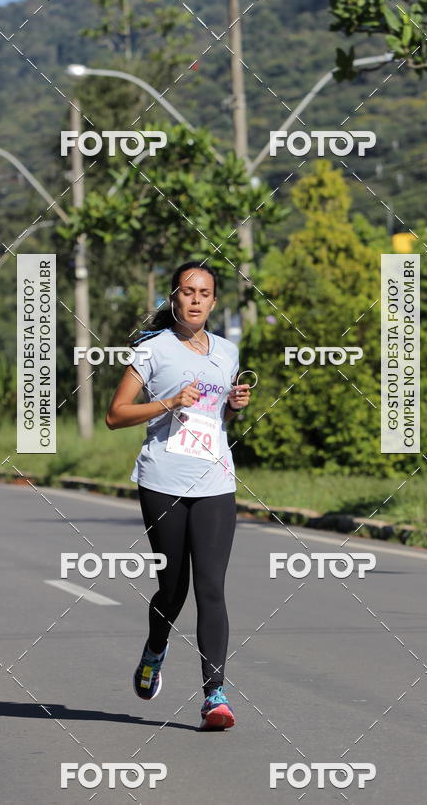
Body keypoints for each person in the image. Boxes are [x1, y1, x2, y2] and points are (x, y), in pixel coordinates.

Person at [106, 261, 251, 730]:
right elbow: (116, 414)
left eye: (204, 292)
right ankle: (154, 650)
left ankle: (215, 696)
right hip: (162, 480)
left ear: (213, 301)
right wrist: (169, 402)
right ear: (174, 298)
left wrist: (233, 405)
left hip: (215, 480)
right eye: (187, 291)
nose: (195, 299)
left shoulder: (227, 352)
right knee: (174, 590)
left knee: (211, 588)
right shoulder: (153, 351)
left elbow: (216, 418)